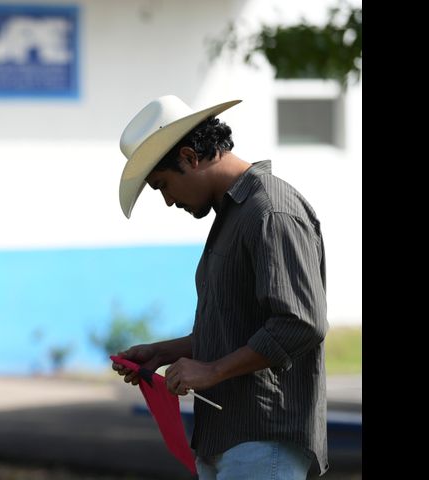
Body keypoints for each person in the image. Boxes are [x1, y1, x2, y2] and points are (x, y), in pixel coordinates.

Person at [112, 95, 328, 479]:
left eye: (163, 185)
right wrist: (161, 352)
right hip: (228, 439)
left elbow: (300, 323)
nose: (167, 201)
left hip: (264, 437)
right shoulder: (234, 215)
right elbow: (235, 328)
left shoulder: (270, 209)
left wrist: (212, 370)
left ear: (190, 157)